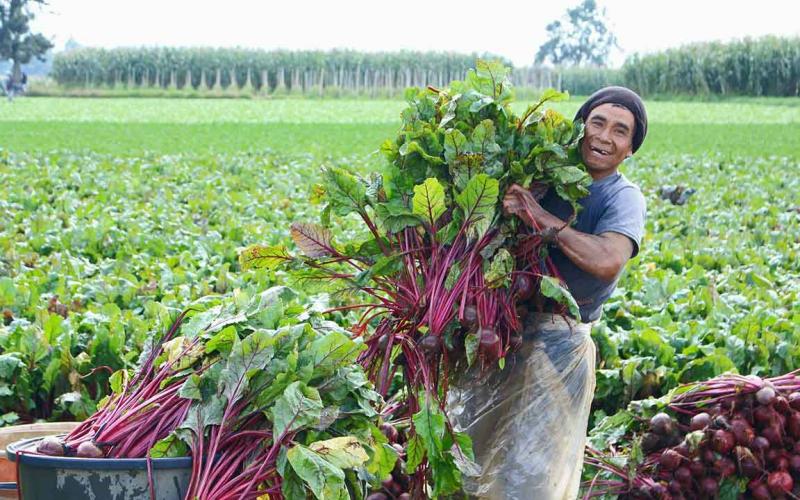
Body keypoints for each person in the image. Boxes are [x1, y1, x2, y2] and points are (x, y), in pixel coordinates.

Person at [447, 86, 648, 500]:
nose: (604, 136)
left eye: (619, 131)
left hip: (558, 349)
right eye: (597, 122)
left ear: (630, 148)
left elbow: (609, 258)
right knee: (469, 458)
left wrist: (539, 217)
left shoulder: (623, 197)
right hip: (502, 337)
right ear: (580, 126)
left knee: (531, 474)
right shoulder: (543, 176)